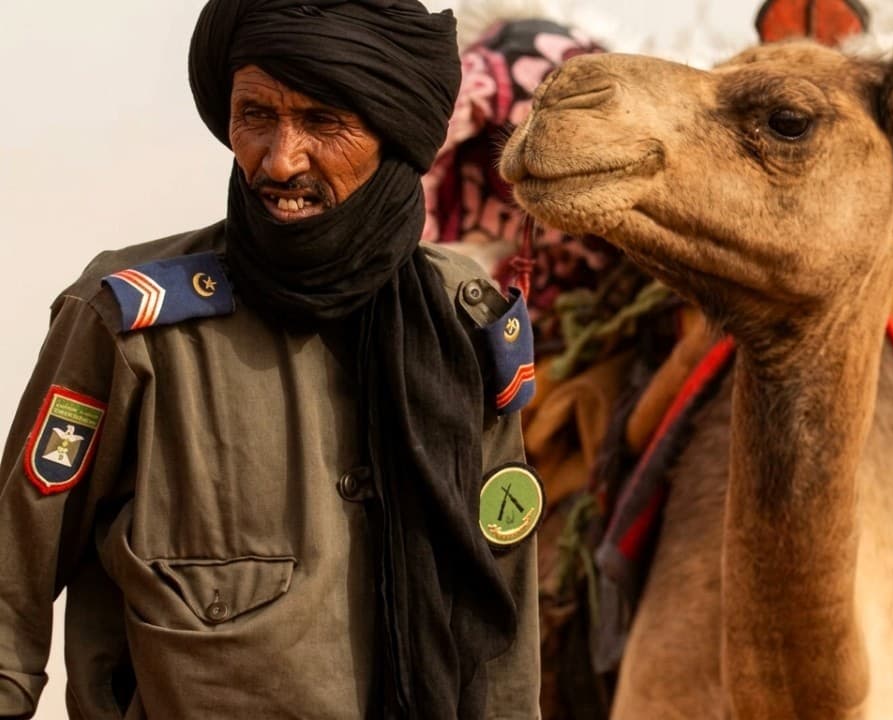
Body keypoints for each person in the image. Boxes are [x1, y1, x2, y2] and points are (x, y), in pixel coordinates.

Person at [0, 1, 542, 718]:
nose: (280, 160)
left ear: (392, 130)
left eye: (323, 122)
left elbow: (500, 599)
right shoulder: (129, 326)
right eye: (256, 115)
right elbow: (11, 590)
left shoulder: (461, 317)